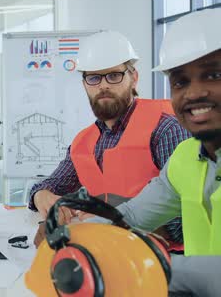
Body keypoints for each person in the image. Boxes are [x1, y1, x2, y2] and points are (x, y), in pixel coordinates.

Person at [28, 31, 190, 243]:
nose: (103, 85)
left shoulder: (166, 129)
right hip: (107, 250)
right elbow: (52, 184)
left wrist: (107, 222)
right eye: (93, 78)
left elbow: (187, 219)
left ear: (134, 78)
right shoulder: (83, 142)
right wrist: (42, 196)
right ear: (85, 84)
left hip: (165, 261)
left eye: (114, 76)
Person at [104, 8, 221, 296]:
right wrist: (79, 236)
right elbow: (132, 214)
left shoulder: (164, 131)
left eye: (214, 75)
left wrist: (140, 266)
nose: (193, 94)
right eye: (180, 81)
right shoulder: (186, 157)